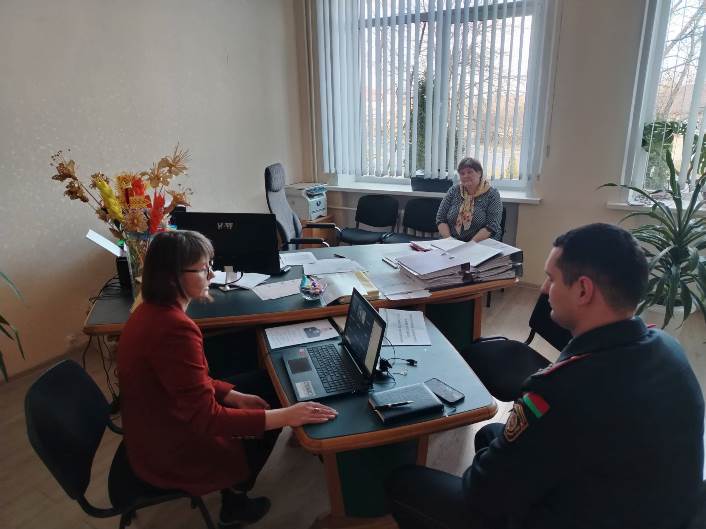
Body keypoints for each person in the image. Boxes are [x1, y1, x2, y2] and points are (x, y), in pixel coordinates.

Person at [385, 223, 705, 529]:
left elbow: (480, 494)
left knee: (405, 483)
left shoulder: (560, 389)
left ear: (583, 290)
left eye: (551, 279)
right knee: (490, 435)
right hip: (648, 509)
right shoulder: (669, 350)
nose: (543, 289)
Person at [117, 230, 337, 528]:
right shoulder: (173, 329)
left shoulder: (150, 310)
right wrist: (286, 417)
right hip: (170, 449)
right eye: (202, 268)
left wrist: (232, 394)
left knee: (269, 383)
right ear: (171, 277)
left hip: (152, 426)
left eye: (210, 264)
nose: (211, 274)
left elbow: (183, 383)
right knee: (270, 413)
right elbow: (207, 419)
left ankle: (242, 481)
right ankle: (235, 499)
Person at [436, 157, 503, 242]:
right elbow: (441, 219)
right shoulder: (454, 191)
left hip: (481, 243)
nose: (465, 176)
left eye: (469, 172)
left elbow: (492, 226)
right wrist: (450, 241)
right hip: (452, 241)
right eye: (462, 173)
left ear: (479, 173)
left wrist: (469, 245)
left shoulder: (492, 194)